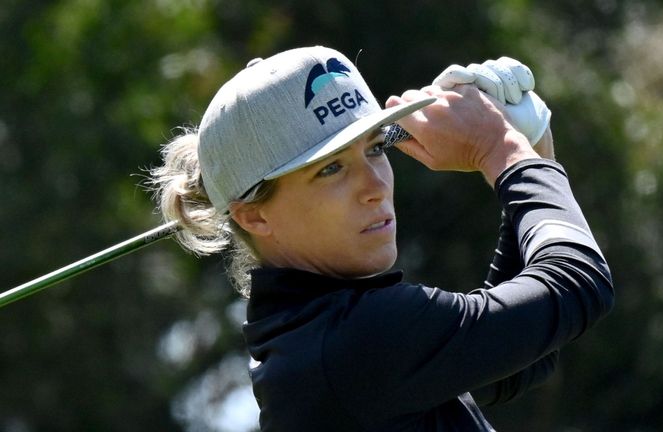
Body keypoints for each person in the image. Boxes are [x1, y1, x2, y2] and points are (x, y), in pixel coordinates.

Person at [150, 46, 614, 432]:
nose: (375, 186)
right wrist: (502, 152)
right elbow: (578, 283)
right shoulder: (347, 341)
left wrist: (531, 151)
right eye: (331, 168)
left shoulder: (320, 334)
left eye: (375, 148)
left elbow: (523, 354)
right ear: (253, 215)